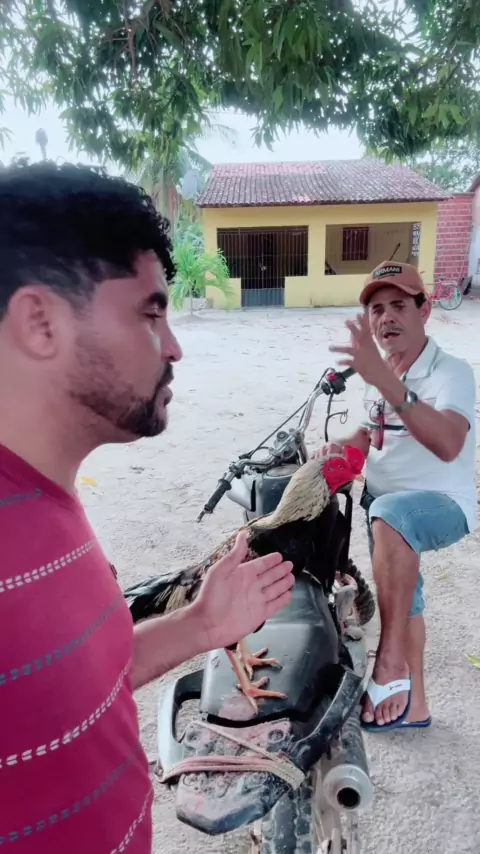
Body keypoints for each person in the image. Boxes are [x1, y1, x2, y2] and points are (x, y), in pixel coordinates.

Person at [0, 162, 294, 853]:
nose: (174, 347)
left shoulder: (51, 498)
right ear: (40, 322)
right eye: (150, 313)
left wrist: (200, 625)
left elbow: (80, 682)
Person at [315, 260, 476, 732]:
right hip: (384, 512)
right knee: (403, 599)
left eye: (399, 305)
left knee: (391, 520)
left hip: (440, 504)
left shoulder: (451, 372)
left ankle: (388, 663)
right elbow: (370, 434)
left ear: (424, 311)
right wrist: (338, 447)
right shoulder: (381, 373)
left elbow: (449, 443)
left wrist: (388, 383)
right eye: (377, 309)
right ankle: (415, 706)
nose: (386, 317)